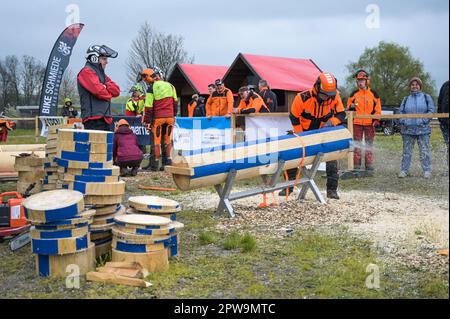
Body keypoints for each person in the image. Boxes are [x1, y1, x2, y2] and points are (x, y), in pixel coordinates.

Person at [284, 72, 346, 200]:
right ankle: (288, 187)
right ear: (317, 87)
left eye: (329, 95)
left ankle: (332, 190)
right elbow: (294, 117)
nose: (326, 98)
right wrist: (301, 136)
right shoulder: (302, 98)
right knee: (291, 156)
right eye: (324, 95)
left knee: (332, 157)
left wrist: (332, 122)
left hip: (323, 131)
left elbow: (341, 114)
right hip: (304, 130)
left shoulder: (334, 96)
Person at [140, 67, 178, 171]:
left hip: (158, 118)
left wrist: (147, 121)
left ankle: (154, 165)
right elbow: (175, 103)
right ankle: (167, 162)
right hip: (170, 118)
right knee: (167, 140)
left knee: (156, 142)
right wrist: (173, 115)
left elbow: (148, 107)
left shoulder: (151, 88)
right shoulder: (171, 86)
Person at [398, 77, 435, 179]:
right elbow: (400, 112)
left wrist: (423, 121)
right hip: (408, 130)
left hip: (423, 130)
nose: (414, 86)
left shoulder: (426, 97)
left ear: (420, 86)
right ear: (410, 87)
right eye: (412, 84)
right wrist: (404, 121)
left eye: (416, 84)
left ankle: (427, 171)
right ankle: (404, 170)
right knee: (406, 152)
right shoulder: (406, 99)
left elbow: (431, 111)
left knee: (424, 151)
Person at [77, 45, 121, 131]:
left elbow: (117, 91)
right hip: (93, 120)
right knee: (97, 145)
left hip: (106, 119)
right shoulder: (86, 72)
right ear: (94, 58)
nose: (107, 62)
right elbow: (100, 92)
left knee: (109, 144)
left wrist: (105, 86)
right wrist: (107, 91)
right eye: (104, 59)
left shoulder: (102, 75)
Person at [347, 70, 382, 171]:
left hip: (369, 124)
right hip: (356, 123)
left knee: (369, 144)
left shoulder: (374, 94)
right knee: (356, 144)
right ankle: (356, 165)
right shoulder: (353, 94)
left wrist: (376, 120)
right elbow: (348, 107)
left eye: (362, 80)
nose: (360, 82)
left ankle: (369, 165)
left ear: (367, 81)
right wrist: (351, 106)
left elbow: (378, 109)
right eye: (358, 80)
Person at [437, 81, 449, 175]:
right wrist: (440, 118)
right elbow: (440, 102)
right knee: (448, 146)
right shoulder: (445, 85)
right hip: (445, 122)